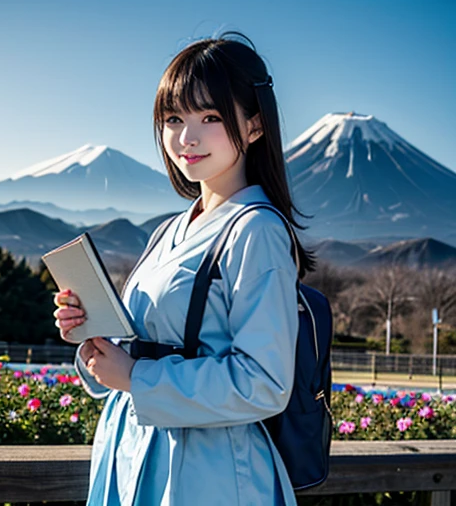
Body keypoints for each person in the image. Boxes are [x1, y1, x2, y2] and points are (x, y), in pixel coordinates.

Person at [54, 31, 315, 506]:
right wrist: (92, 335)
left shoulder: (256, 230)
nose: (186, 137)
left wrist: (136, 377)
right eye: (173, 118)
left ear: (254, 126)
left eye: (210, 117)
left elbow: (265, 383)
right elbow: (143, 347)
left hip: (207, 469)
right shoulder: (169, 229)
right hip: (133, 449)